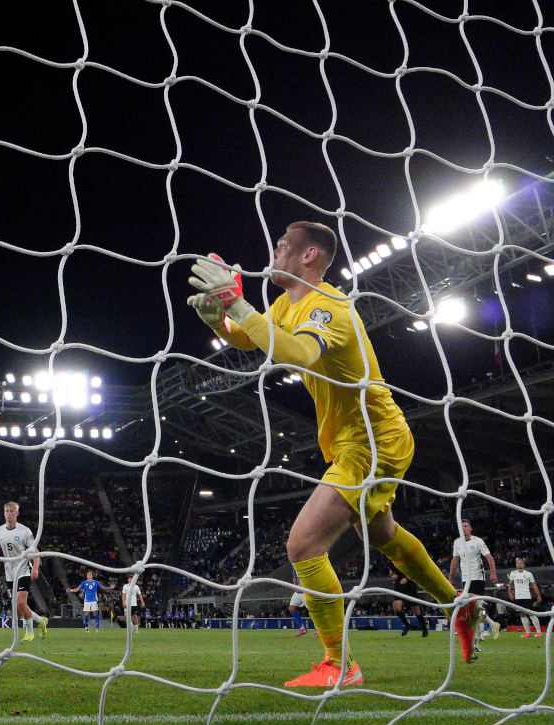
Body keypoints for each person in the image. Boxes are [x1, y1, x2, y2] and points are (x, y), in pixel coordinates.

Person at [188, 222, 465, 685]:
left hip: (372, 440)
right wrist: (218, 317)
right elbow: (251, 338)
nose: (273, 253)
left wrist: (236, 302)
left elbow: (296, 354)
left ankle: (340, 665)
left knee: (303, 545)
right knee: (383, 536)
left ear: (309, 255)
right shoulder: (285, 303)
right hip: (358, 441)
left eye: (281, 246)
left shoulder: (329, 308)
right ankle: (457, 605)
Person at [0, 502, 48, 642]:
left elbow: (36, 552)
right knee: (18, 607)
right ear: (4, 513)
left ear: (17, 513)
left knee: (20, 603)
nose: (9, 513)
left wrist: (35, 568)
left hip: (23, 570)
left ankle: (29, 632)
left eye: (12, 511)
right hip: (9, 573)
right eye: (7, 511)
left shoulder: (24, 531)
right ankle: (41, 621)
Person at [448, 519, 500, 652]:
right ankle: (491, 625)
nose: (464, 528)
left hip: (477, 577)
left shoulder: (478, 541)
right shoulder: (457, 542)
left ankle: (476, 638)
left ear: (470, 529)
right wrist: (451, 577)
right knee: (473, 607)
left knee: (474, 606)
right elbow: (455, 560)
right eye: (461, 527)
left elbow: (489, 558)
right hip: (465, 579)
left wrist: (493, 573)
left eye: (466, 526)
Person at [508, 557, 543, 638]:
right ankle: (528, 632)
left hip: (526, 596)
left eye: (521, 563)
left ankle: (538, 632)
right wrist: (510, 593)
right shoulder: (513, 573)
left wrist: (538, 595)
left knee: (531, 614)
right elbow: (510, 584)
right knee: (522, 614)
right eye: (518, 563)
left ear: (524, 565)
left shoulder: (528, 574)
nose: (519, 564)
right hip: (518, 597)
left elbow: (534, 585)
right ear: (516, 565)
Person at [391, 566, 428, 638]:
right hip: (399, 585)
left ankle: (424, 629)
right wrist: (393, 575)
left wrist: (407, 578)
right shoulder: (395, 559)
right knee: (397, 608)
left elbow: (416, 571)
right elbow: (392, 571)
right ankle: (407, 625)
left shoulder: (409, 559)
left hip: (410, 585)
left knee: (416, 610)